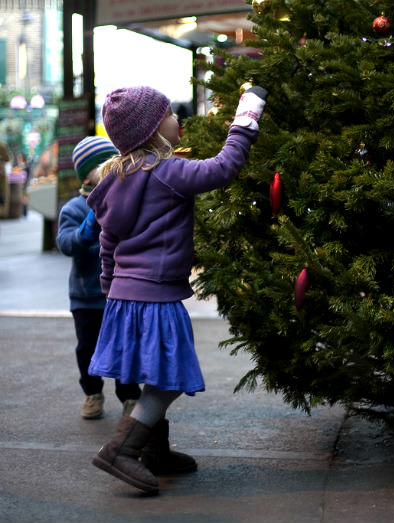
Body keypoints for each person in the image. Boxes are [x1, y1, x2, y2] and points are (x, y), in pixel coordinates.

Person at [86, 84, 267, 493]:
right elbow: (223, 168)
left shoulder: (116, 178)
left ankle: (156, 452)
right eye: (169, 113)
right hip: (155, 296)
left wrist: (108, 285)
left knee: (154, 371)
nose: (177, 118)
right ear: (152, 130)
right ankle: (120, 450)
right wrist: (246, 120)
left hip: (124, 296)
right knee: (166, 380)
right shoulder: (167, 173)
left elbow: (107, 240)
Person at [56, 136, 142, 420]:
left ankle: (129, 396)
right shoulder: (74, 209)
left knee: (125, 347)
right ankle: (92, 392)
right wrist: (89, 225)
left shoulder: (123, 200)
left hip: (119, 292)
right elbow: (67, 243)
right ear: (89, 178)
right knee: (87, 348)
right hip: (86, 296)